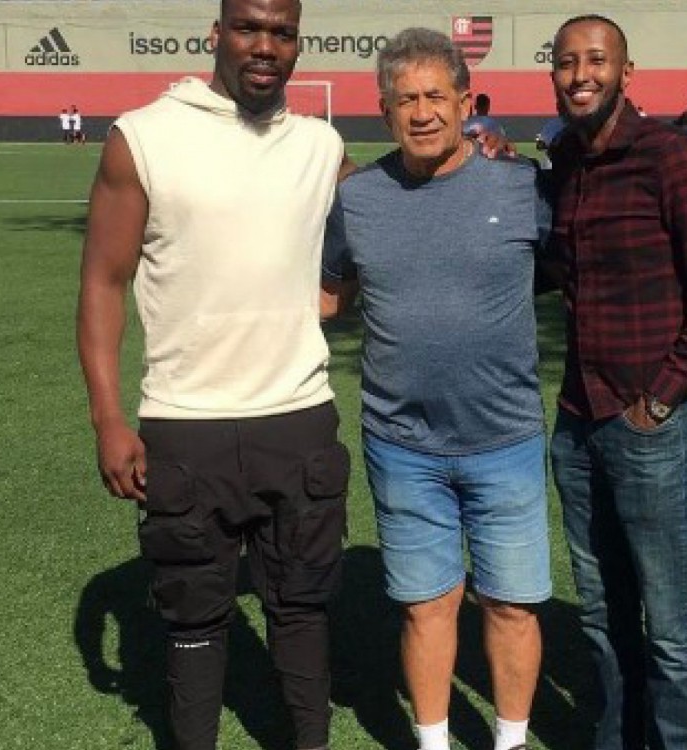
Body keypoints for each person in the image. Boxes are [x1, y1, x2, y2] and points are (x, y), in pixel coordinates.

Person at [76, 0, 354, 748]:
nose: (266, 46)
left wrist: (471, 159)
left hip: (298, 419)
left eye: (283, 32)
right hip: (185, 427)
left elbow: (377, 228)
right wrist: (107, 418)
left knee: (301, 609)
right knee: (194, 619)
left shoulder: (321, 146)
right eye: (249, 28)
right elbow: (103, 282)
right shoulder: (143, 138)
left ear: (298, 44)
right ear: (217, 35)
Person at [321, 28, 549, 750]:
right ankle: (433, 742)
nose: (421, 113)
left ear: (465, 102)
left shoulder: (521, 186)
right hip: (403, 446)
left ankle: (511, 741)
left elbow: (590, 267)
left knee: (510, 606)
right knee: (428, 607)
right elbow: (326, 301)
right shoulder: (357, 202)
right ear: (383, 111)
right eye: (404, 100)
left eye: (434, 97)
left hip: (505, 439)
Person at [542, 15, 687, 749]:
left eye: (597, 60)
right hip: (576, 422)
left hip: (653, 427)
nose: (580, 74)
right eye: (566, 62)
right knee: (601, 612)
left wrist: (659, 400)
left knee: (670, 621)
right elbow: (552, 269)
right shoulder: (563, 159)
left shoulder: (671, 159)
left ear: (627, 73)